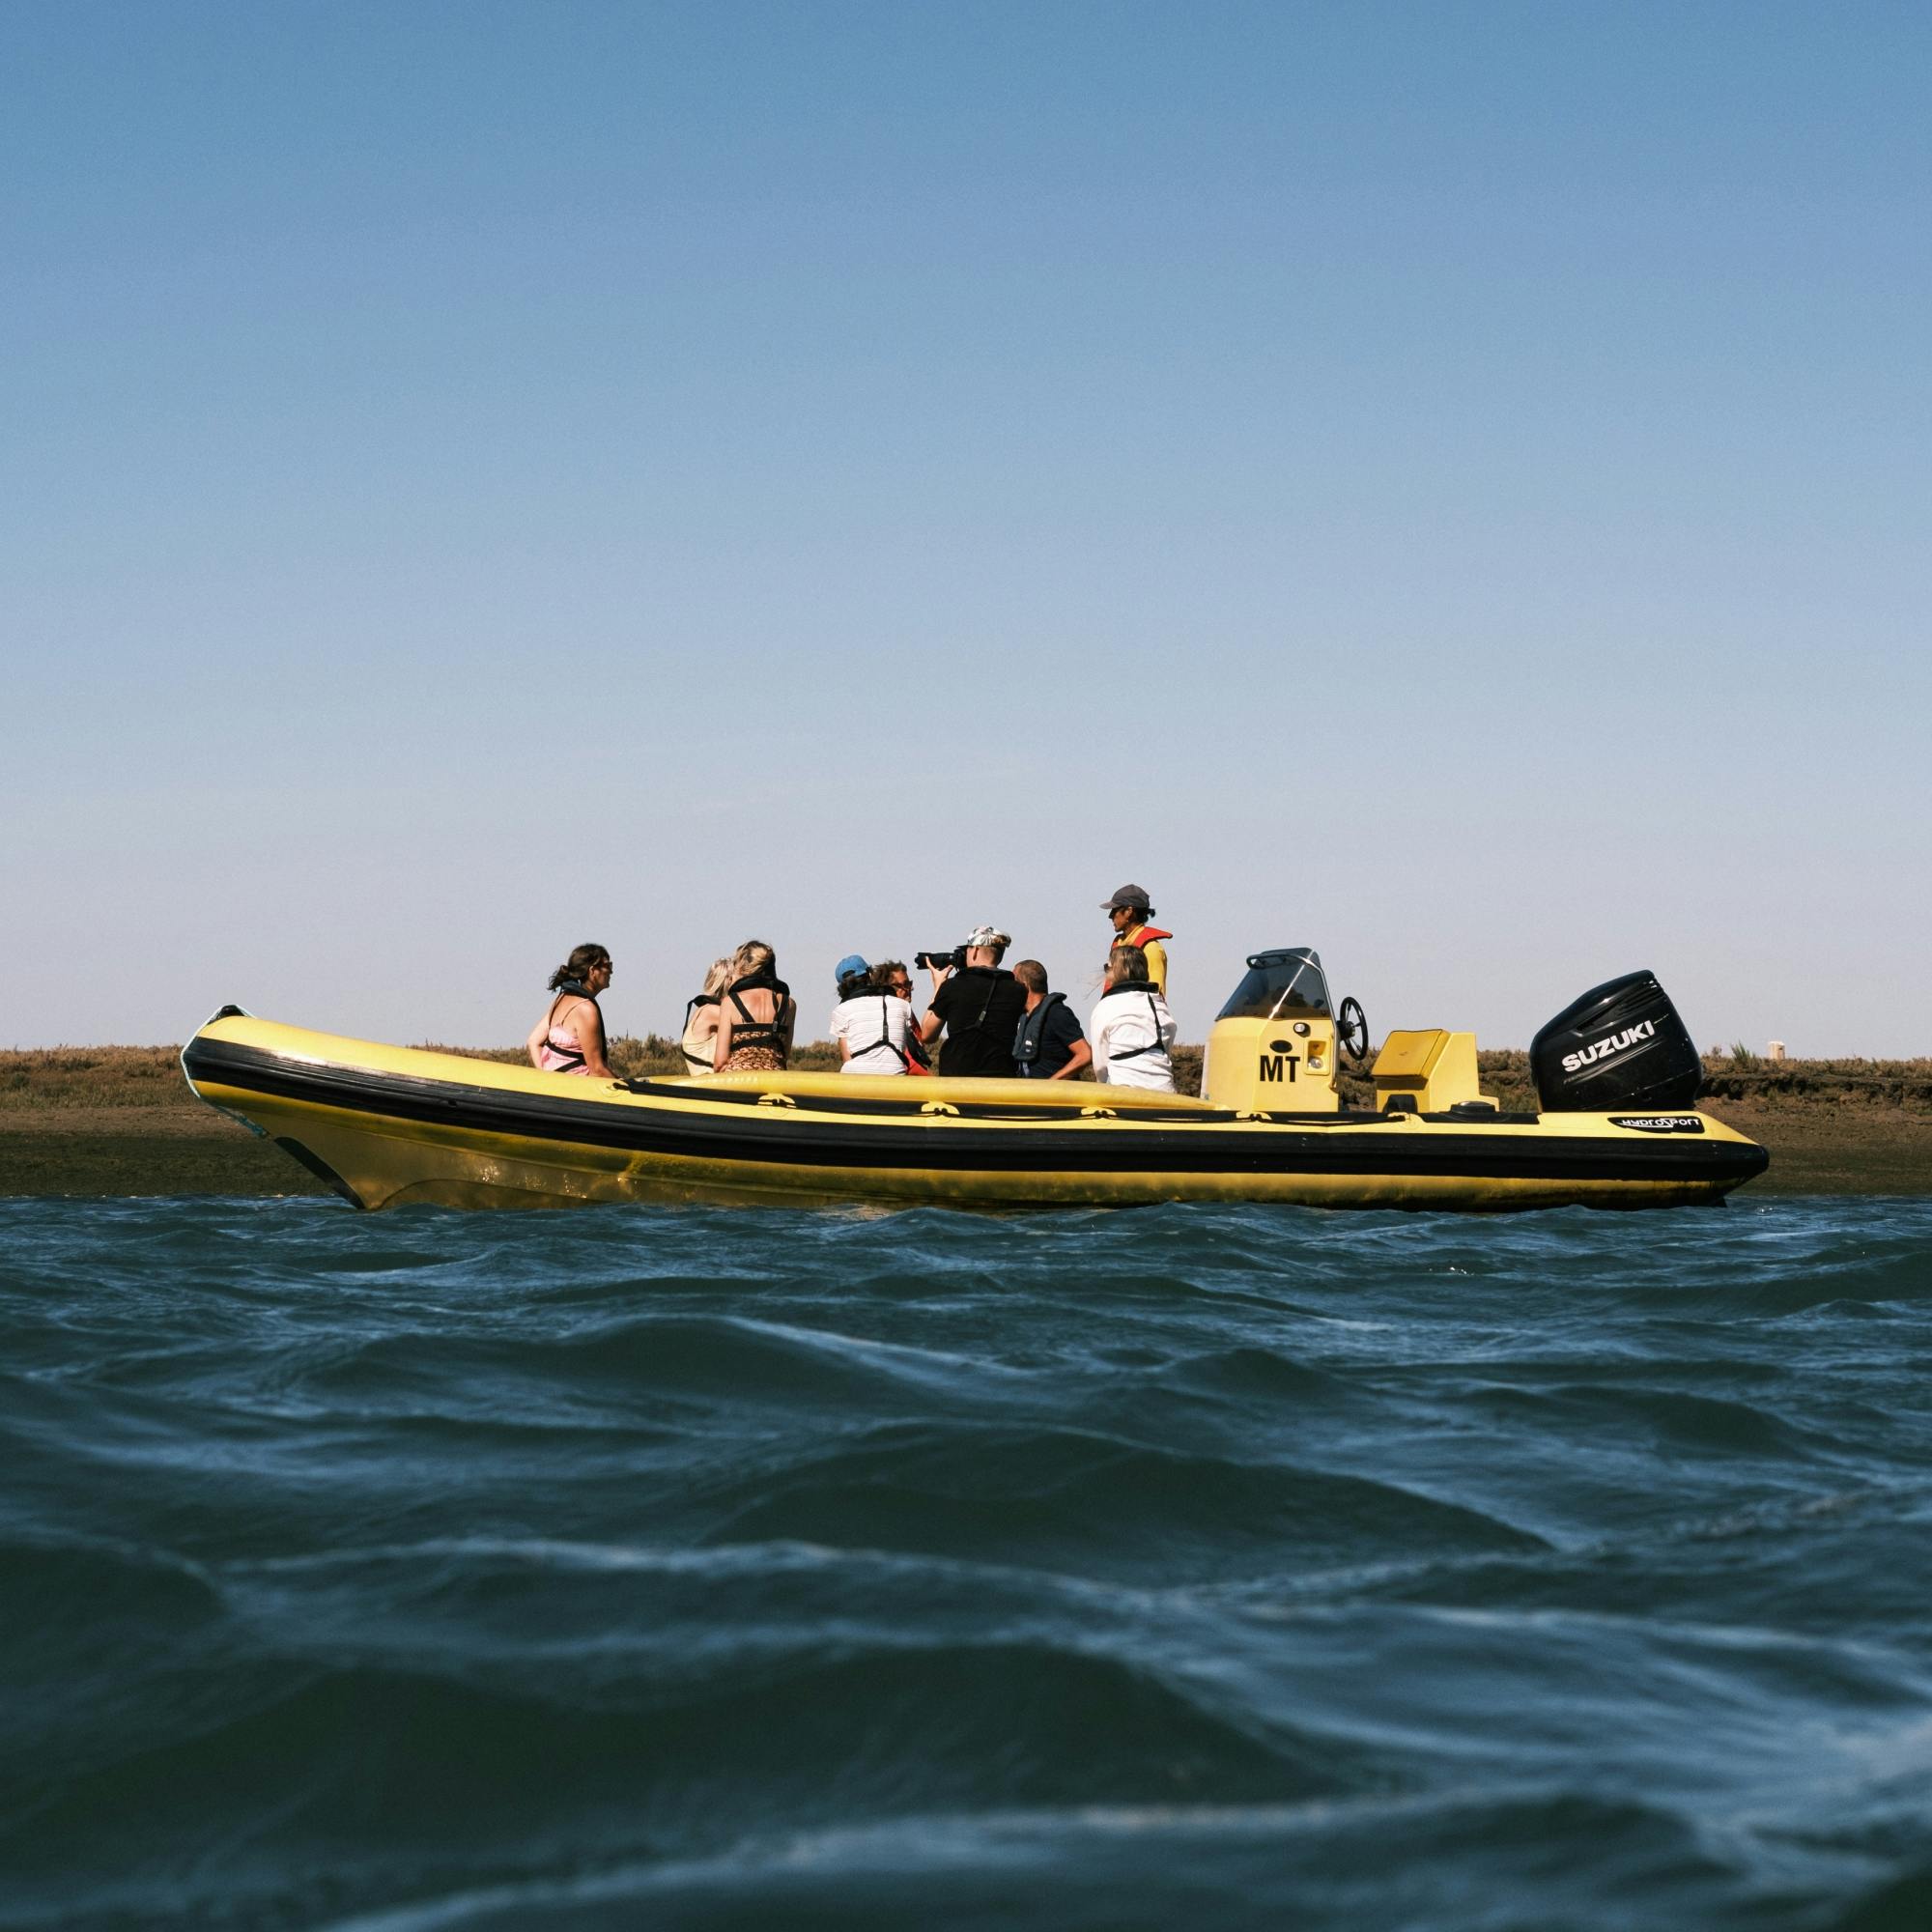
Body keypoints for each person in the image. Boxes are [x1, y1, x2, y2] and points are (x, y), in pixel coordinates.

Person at [919, 925, 1028, 1078]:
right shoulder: (1018, 991)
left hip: (958, 1077)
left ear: (975, 950)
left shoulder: (953, 986)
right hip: (1002, 1077)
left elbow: (927, 1035)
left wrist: (938, 987)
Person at [1092, 944, 1177, 1092]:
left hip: (1123, 1086)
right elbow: (1169, 1035)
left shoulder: (1105, 1006)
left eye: (1108, 966)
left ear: (1117, 970)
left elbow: (1100, 1065)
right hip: (1163, 1088)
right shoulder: (1157, 1002)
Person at [527, 945, 614, 1078]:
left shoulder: (561, 999)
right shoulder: (585, 1009)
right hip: (580, 1092)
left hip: (558, 1090)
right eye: (608, 966)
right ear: (592, 971)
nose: (611, 972)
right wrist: (628, 1091)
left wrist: (547, 1080)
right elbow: (597, 1070)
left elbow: (534, 1041)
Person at [830, 953, 921, 1076]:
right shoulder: (902, 1005)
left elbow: (847, 1058)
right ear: (870, 975)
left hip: (856, 1080)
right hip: (895, 1076)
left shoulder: (840, 1010)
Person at [713, 940, 796, 1072]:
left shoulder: (730, 1003)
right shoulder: (789, 1004)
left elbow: (720, 1062)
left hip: (739, 1082)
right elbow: (784, 1054)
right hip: (775, 1084)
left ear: (743, 967)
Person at [1010, 959, 1092, 1081]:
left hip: (1055, 1096)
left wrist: (1052, 1083)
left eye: (1013, 983)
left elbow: (1085, 1054)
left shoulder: (1056, 1013)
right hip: (1028, 1095)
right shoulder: (1022, 1018)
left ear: (1025, 986)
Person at [1100, 884, 1173, 998]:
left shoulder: (1151, 948)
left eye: (1114, 910)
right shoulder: (1119, 943)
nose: (1110, 916)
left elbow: (1156, 996)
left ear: (1129, 911)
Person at [677, 956, 734, 1077]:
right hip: (711, 1086)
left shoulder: (702, 1010)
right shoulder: (711, 1012)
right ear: (728, 982)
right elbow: (749, 1021)